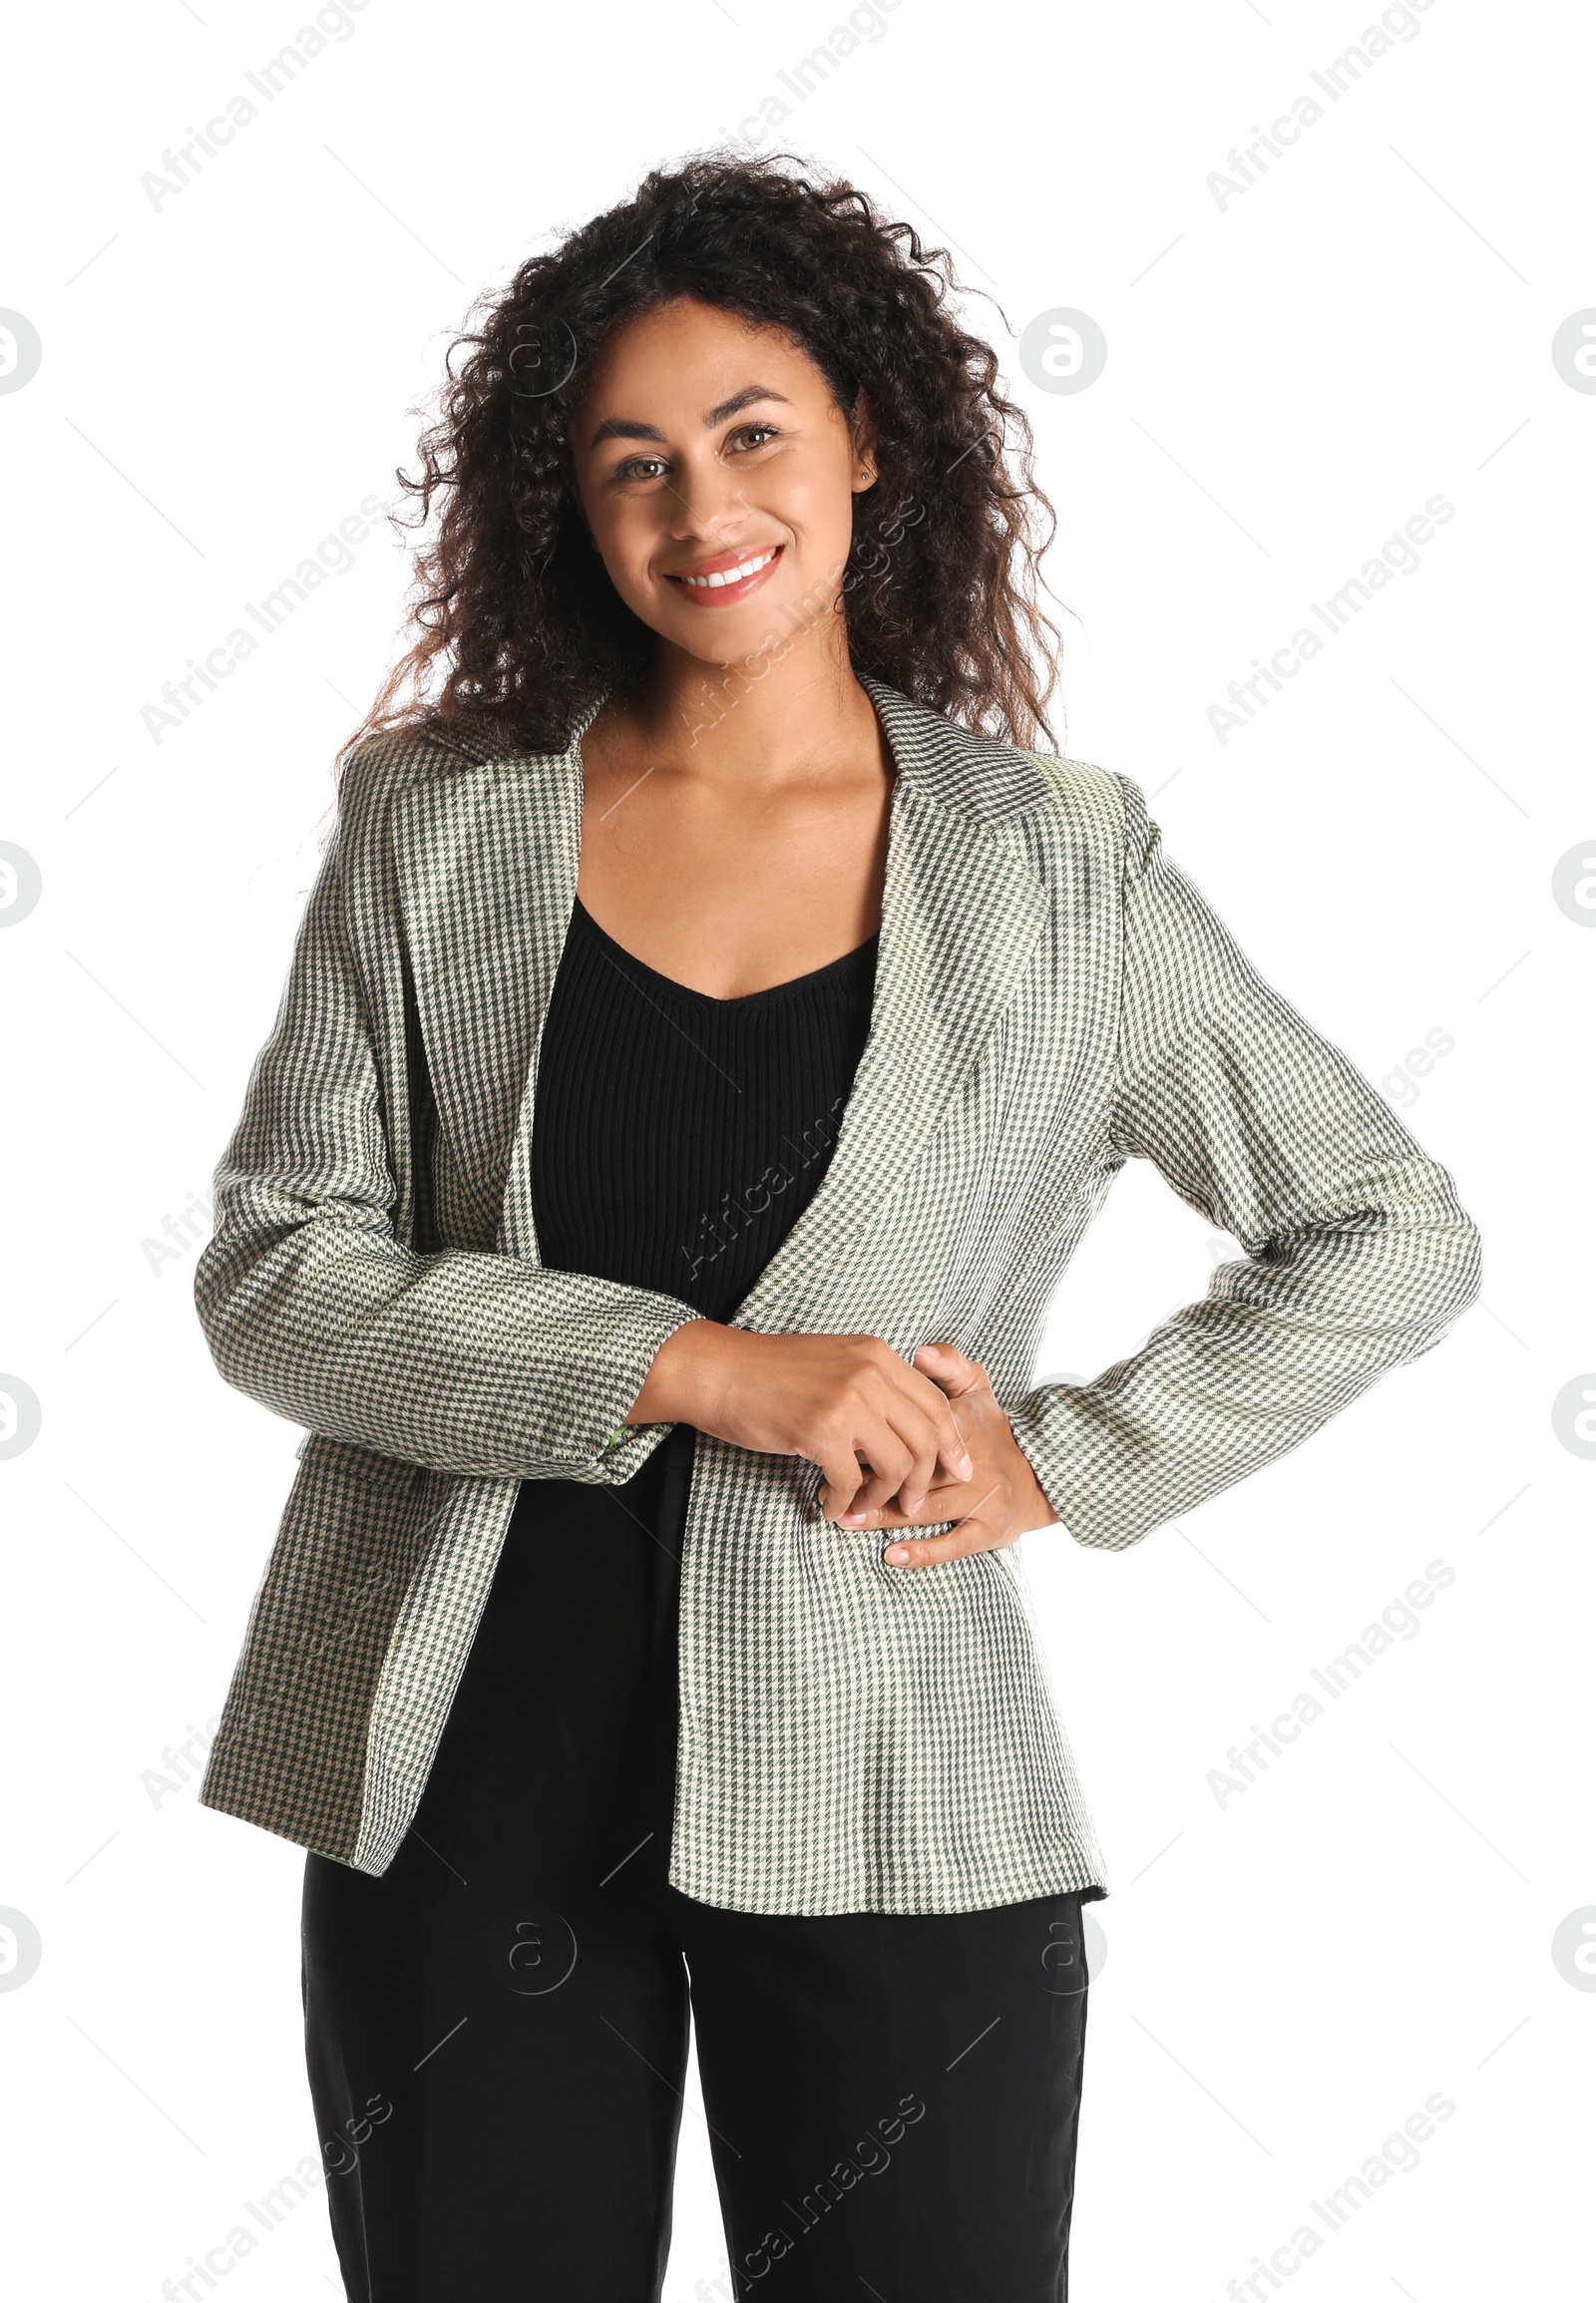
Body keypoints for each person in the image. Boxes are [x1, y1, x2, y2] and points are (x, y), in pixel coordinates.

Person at [193, 152, 1482, 2302]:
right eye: (630, 464)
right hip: (458, 1779)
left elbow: (1382, 1225)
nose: (700, 509)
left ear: (869, 441)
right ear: (569, 513)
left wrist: (1057, 1461)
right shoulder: (435, 830)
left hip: (889, 1779)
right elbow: (273, 1276)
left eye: (749, 432)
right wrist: (692, 1369)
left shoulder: (1054, 873)